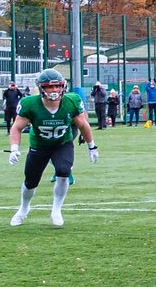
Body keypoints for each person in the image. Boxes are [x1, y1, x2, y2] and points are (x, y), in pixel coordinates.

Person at [7, 69, 98, 227]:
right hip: (39, 145)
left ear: (63, 86)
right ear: (41, 88)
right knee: (31, 181)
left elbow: (83, 124)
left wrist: (92, 146)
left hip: (62, 143)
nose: (54, 90)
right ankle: (23, 208)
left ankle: (56, 210)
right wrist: (14, 148)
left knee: (63, 171)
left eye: (57, 86)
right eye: (49, 87)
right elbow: (16, 127)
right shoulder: (30, 104)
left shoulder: (71, 101)